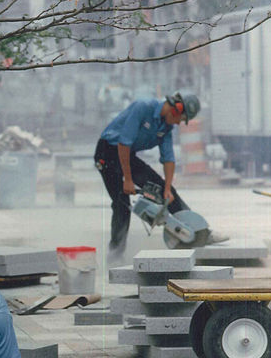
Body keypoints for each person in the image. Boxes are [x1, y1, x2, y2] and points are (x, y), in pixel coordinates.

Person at [94, 91, 226, 261]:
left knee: (167, 191)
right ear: (176, 109)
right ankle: (115, 254)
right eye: (181, 118)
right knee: (122, 203)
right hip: (108, 152)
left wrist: (167, 190)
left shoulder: (166, 127)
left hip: (127, 155)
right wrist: (127, 179)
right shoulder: (143, 107)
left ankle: (199, 231)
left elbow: (168, 159)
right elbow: (124, 143)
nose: (179, 123)